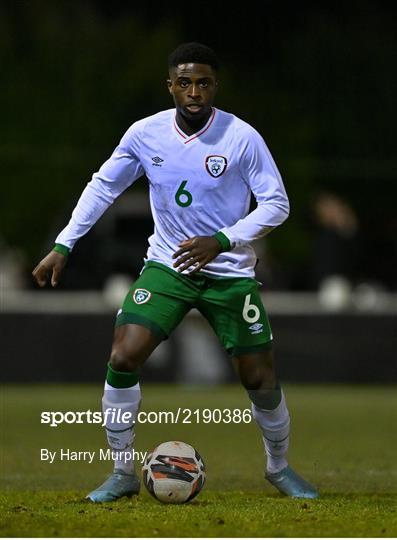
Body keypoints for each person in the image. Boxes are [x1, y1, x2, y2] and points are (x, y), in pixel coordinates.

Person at [32, 42, 318, 501]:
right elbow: (103, 185)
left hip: (228, 271)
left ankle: (279, 468)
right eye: (184, 82)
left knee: (258, 378)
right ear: (170, 87)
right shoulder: (145, 134)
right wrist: (65, 243)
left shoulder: (241, 137)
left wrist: (221, 240)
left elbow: (277, 204)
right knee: (124, 356)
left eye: (203, 82)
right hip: (169, 265)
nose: (194, 92)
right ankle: (123, 473)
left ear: (215, 86)